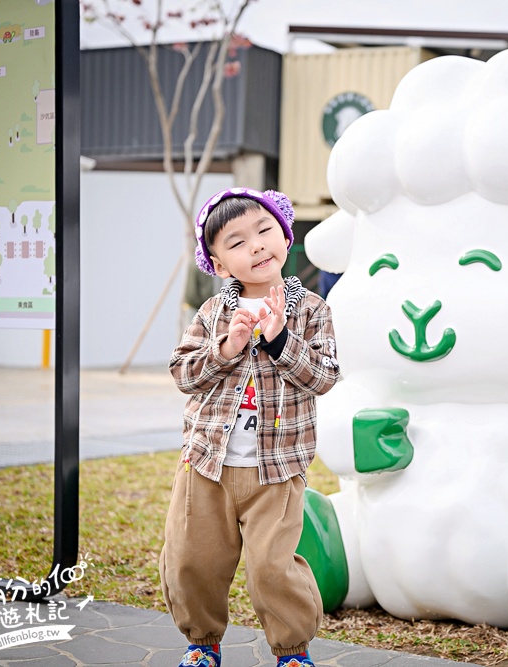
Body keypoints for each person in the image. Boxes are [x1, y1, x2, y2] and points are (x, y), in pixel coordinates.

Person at [161, 188, 340, 667]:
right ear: (219, 265)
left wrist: (281, 339)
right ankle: (202, 644)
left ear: (285, 236)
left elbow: (323, 377)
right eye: (237, 242)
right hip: (207, 464)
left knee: (271, 567)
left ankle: (292, 651)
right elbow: (183, 373)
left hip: (276, 469)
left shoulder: (313, 311)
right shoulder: (213, 313)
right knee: (192, 559)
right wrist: (226, 346)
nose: (257, 245)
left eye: (265, 231)